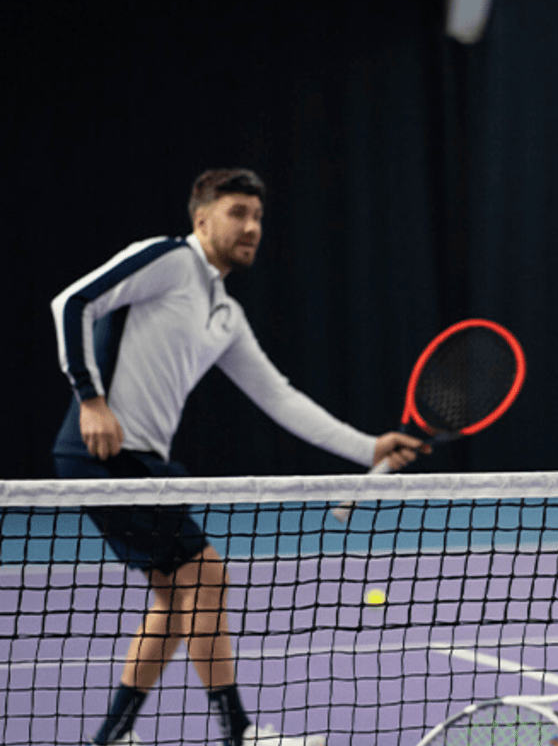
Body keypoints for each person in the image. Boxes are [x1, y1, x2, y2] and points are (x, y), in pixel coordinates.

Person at [51, 168, 428, 746]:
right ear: (201, 217)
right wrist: (91, 398)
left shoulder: (225, 314)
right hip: (104, 451)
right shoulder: (168, 260)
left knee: (180, 594)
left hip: (146, 462)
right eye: (236, 213)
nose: (251, 226)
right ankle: (239, 734)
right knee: (207, 576)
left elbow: (279, 398)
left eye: (257, 216)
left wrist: (368, 447)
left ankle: (112, 737)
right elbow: (73, 301)